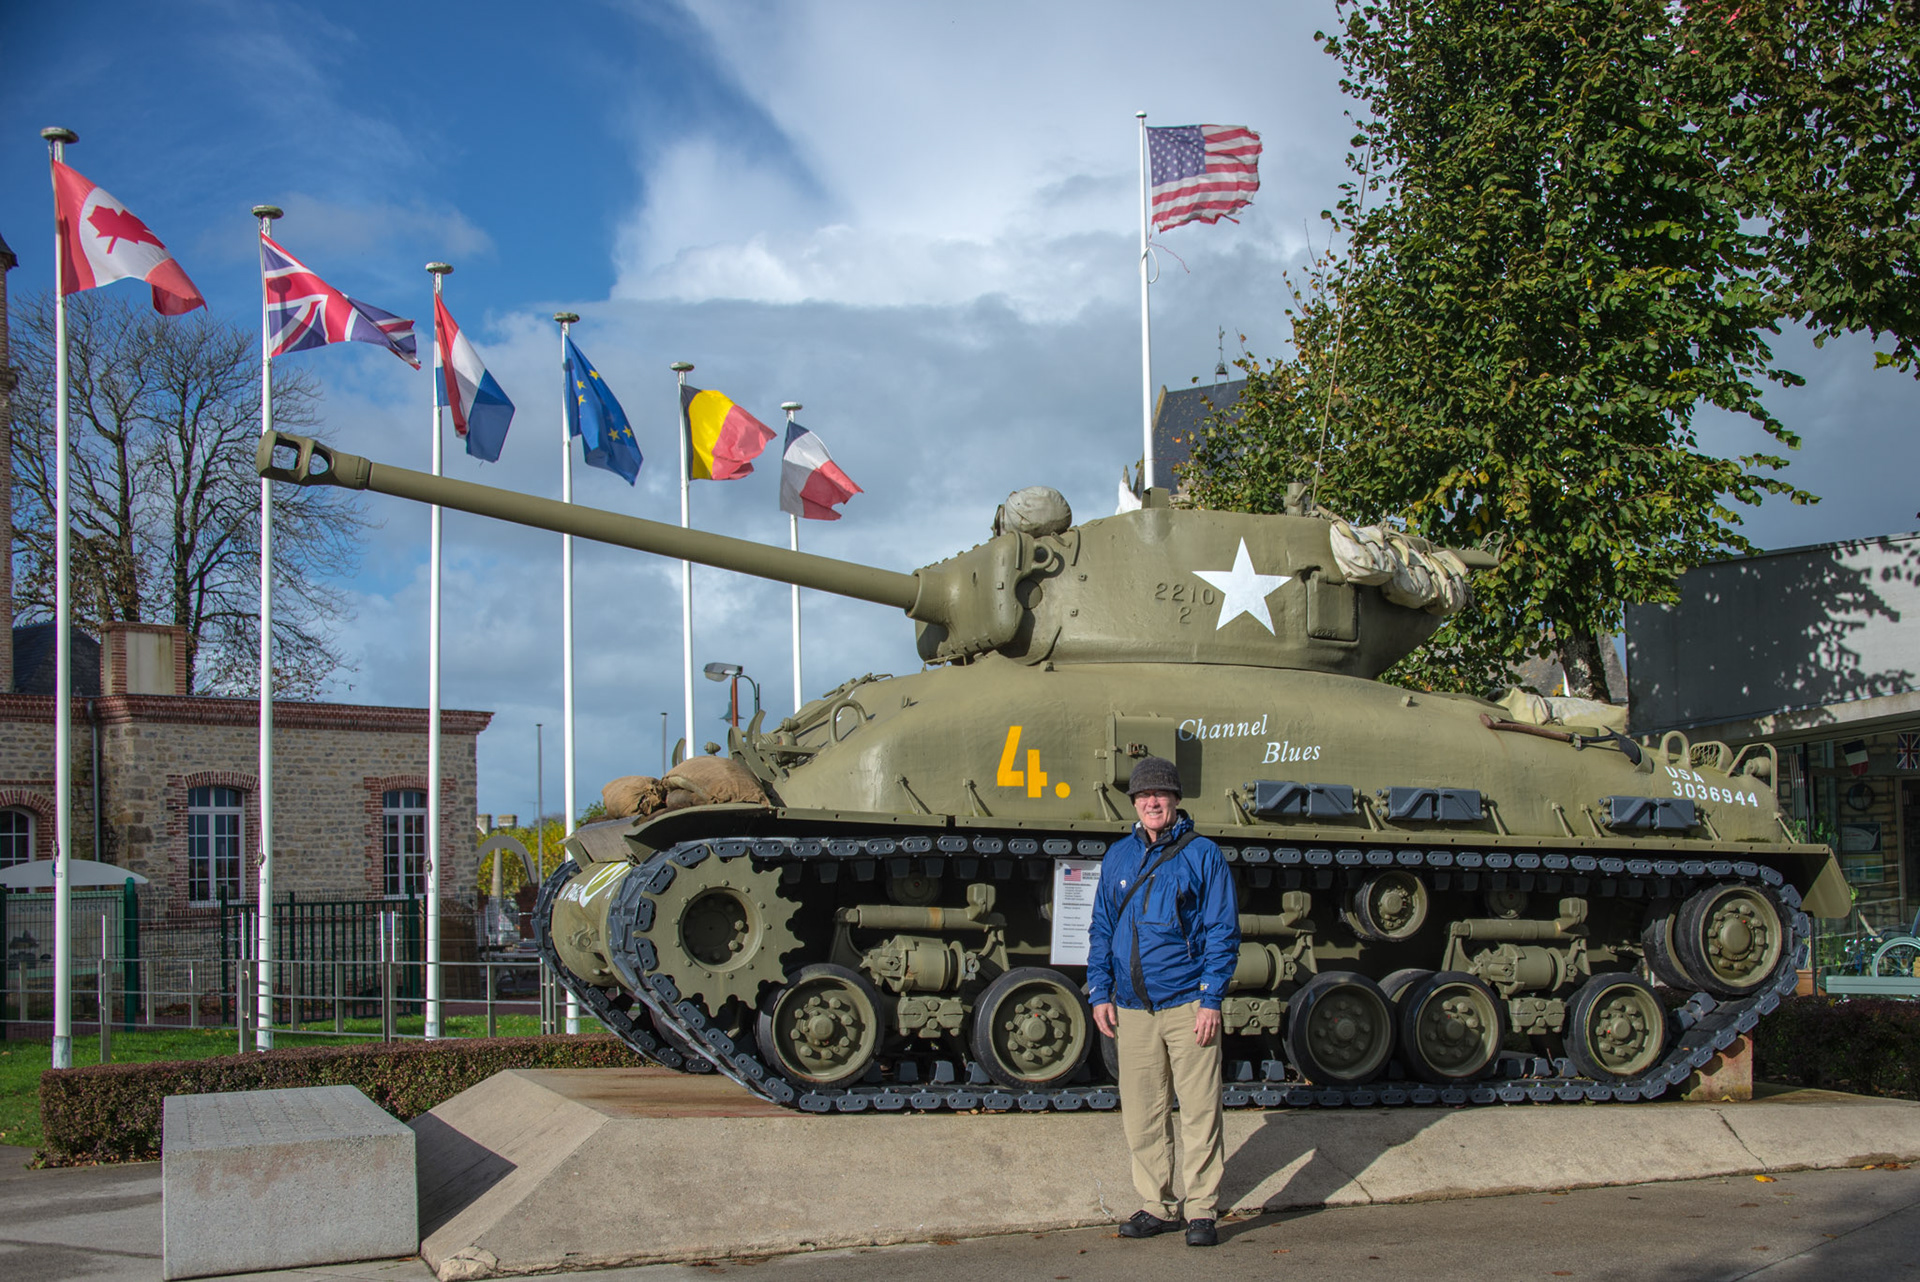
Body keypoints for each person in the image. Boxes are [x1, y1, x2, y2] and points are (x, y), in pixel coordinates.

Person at [1087, 755, 1240, 1247]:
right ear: (1134, 802)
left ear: (1176, 800)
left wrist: (1211, 998)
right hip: (1131, 1008)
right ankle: (1157, 1205)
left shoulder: (1203, 855)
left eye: (1161, 794)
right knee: (1143, 1112)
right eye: (1144, 796)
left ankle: (1200, 1211)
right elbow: (1102, 928)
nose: (1152, 802)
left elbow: (1222, 930)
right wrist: (1100, 989)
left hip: (1186, 1005)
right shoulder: (1118, 857)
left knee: (1199, 1110)